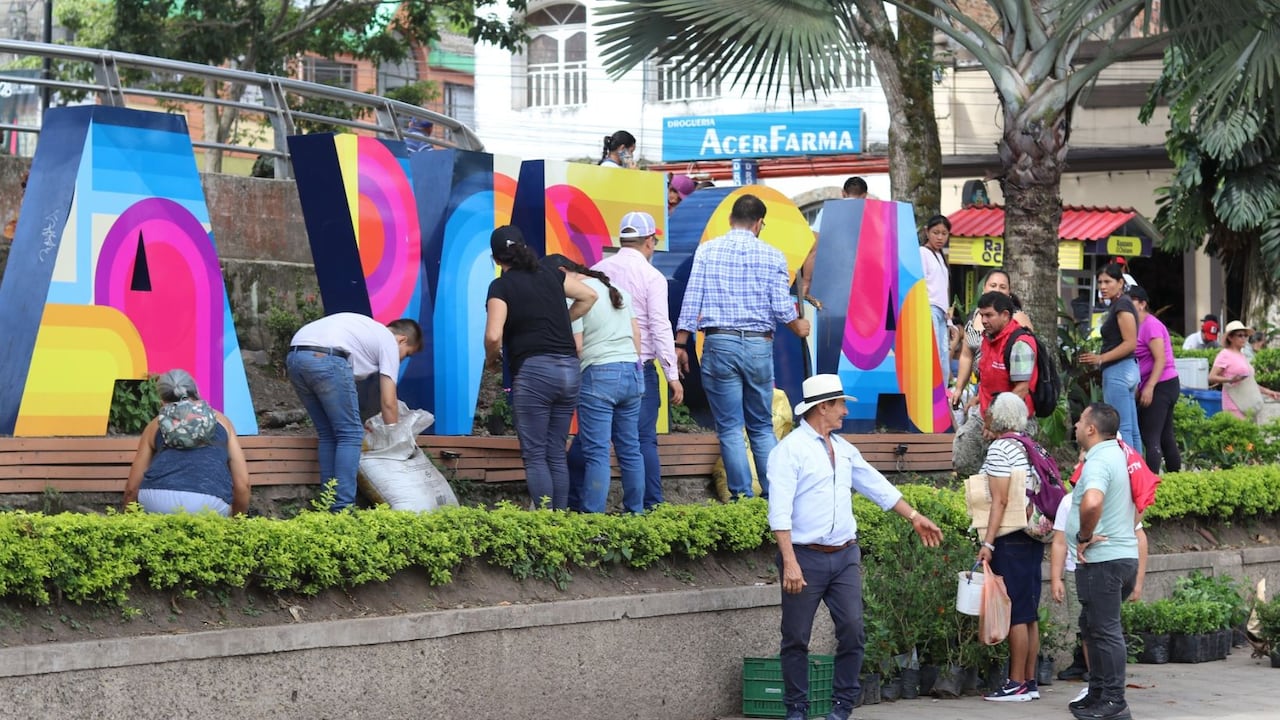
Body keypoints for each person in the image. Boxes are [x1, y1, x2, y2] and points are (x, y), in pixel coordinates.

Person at [767, 374, 943, 720]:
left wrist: (913, 516)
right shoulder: (789, 451)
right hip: (804, 556)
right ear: (822, 407)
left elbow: (875, 485)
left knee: (853, 631)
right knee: (795, 638)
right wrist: (789, 561)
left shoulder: (844, 450)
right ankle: (797, 709)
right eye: (841, 404)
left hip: (845, 554)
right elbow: (779, 510)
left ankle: (842, 707)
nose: (846, 411)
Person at [675, 194, 810, 499]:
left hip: (719, 343)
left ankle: (740, 498)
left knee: (730, 426)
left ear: (730, 219)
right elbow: (780, 306)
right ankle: (774, 496)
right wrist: (797, 324)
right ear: (759, 223)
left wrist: (681, 343)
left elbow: (691, 299)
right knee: (761, 425)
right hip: (758, 346)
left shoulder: (707, 251)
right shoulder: (773, 256)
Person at [593, 211, 683, 509]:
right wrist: (672, 375)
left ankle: (581, 507)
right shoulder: (652, 277)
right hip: (638, 369)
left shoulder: (597, 271)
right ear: (648, 242)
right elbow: (659, 325)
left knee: (593, 444)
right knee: (641, 442)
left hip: (599, 367)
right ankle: (648, 506)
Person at [287, 313, 423, 511]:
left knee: (329, 435)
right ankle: (342, 509)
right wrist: (394, 439)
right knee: (351, 435)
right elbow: (388, 401)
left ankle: (327, 504)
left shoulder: (366, 333)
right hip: (328, 357)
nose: (402, 359)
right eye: (407, 353)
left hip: (295, 357)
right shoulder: (387, 340)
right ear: (402, 340)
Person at [550, 256, 645, 514]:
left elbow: (578, 346)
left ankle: (593, 518)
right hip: (633, 372)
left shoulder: (575, 296)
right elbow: (637, 336)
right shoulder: (618, 291)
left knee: (597, 452)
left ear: (563, 272)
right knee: (630, 449)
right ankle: (636, 512)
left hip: (600, 373)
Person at [1065, 403, 1139, 720]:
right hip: (1117, 559)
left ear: (1092, 428)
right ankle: (1097, 693)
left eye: (1081, 421)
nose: (1077, 426)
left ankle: (1113, 700)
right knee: (1092, 626)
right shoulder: (1115, 454)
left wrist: (1083, 536)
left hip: (1104, 561)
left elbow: (1093, 502)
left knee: (1105, 630)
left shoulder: (1098, 461)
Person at [975, 393, 1045, 702]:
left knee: (1016, 610)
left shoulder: (1000, 448)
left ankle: (1015, 683)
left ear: (997, 418)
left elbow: (1000, 500)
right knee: (1028, 612)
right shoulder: (1029, 445)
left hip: (1011, 535)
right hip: (1033, 534)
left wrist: (988, 542)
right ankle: (1029, 682)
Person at [123, 369, 250, 516]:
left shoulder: (155, 424)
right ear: (195, 391)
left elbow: (132, 488)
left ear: (162, 399)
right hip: (209, 501)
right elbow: (242, 485)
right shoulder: (222, 421)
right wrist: (237, 524)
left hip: (156, 498)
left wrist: (128, 527)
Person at [952, 291, 1038, 477]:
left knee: (1006, 473)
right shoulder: (987, 339)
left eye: (989, 315)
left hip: (1012, 419)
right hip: (986, 414)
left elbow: (1021, 389)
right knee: (964, 457)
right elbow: (988, 380)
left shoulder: (1021, 343)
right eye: (982, 315)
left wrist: (996, 424)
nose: (983, 320)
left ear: (1005, 315)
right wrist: (976, 399)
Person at [1079, 263, 1142, 456]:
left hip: (1118, 371)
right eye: (1100, 282)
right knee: (1131, 429)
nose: (1103, 287)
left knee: (1122, 428)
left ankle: (1130, 473)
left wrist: (1100, 358)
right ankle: (1140, 474)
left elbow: (1130, 343)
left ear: (1121, 282)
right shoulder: (1121, 304)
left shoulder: (1122, 305)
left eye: (1108, 281)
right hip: (1127, 370)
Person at [949, 269, 1034, 414]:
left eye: (1002, 287)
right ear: (984, 289)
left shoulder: (1017, 318)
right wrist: (959, 388)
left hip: (1008, 392)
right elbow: (966, 355)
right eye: (993, 285)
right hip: (982, 388)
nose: (997, 290)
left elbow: (1028, 358)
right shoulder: (976, 315)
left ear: (1009, 292)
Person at [1129, 286, 1181, 473]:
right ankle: (1175, 479)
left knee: (1151, 437)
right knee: (1165, 436)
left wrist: (1149, 387)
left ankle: (1152, 484)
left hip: (1161, 385)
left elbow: (1161, 358)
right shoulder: (1136, 326)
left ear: (1142, 304)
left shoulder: (1150, 325)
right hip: (1161, 384)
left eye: (1131, 301)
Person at [799, 176, 869, 306]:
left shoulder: (827, 212)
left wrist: (806, 282)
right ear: (865, 195)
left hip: (833, 282)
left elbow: (814, 251)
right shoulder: (875, 213)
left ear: (843, 193)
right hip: (867, 282)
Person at [1209, 320, 1280, 419]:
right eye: (1240, 335)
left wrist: (1269, 392)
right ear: (1230, 337)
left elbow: (1248, 382)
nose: (1244, 338)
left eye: (1245, 336)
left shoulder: (1242, 355)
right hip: (1234, 404)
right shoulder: (1225, 354)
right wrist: (1230, 380)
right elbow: (1212, 377)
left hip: (1247, 404)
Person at [920, 215, 953, 387]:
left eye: (944, 233)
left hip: (942, 312)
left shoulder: (940, 255)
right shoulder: (923, 253)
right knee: (934, 355)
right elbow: (922, 283)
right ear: (927, 231)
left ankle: (942, 394)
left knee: (943, 355)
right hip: (930, 309)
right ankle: (932, 392)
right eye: (936, 233)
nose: (940, 237)